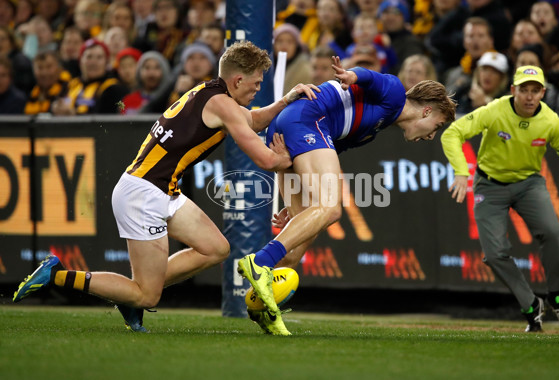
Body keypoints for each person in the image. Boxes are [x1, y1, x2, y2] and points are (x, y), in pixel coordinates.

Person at [12, 41, 319, 333]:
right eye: (255, 83)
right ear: (238, 80)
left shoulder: (211, 93)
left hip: (160, 190)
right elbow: (266, 159)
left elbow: (253, 120)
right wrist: (288, 154)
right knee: (147, 296)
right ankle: (58, 275)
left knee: (216, 249)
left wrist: (286, 100)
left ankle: (130, 295)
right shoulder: (223, 105)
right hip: (143, 194)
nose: (257, 89)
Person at [237, 56, 457, 335]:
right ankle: (260, 262)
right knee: (331, 208)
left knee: (299, 241)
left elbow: (322, 152)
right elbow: (372, 77)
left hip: (294, 131)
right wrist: (352, 75)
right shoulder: (395, 93)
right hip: (305, 119)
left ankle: (263, 309)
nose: (430, 137)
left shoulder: (370, 131)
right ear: (426, 112)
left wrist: (295, 193)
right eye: (436, 127)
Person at [440, 65, 559, 332]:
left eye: (535, 91)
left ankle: (557, 296)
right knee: (494, 254)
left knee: (553, 234)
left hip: (529, 184)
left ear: (543, 92)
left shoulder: (551, 121)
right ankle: (531, 305)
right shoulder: (495, 110)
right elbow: (452, 133)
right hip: (489, 185)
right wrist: (461, 171)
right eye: (524, 90)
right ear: (513, 91)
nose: (529, 97)